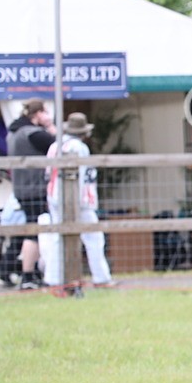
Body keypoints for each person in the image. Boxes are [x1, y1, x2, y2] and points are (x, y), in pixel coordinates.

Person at [44, 112, 116, 288]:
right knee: (94, 238)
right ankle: (101, 278)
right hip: (79, 200)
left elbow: (47, 173)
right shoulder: (80, 148)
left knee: (58, 237)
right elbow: (82, 176)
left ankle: (53, 278)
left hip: (54, 196)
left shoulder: (54, 146)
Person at [5, 99, 57, 290]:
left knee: (28, 229)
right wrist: (50, 126)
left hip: (21, 187)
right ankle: (28, 274)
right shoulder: (34, 134)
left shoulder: (14, 132)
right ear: (38, 114)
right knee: (34, 231)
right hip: (34, 187)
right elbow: (59, 147)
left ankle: (17, 272)